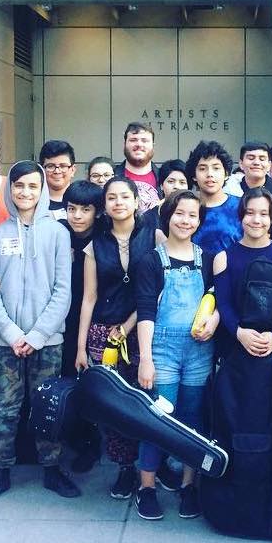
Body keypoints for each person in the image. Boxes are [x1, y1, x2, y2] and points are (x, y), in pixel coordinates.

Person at [203, 187, 272, 538]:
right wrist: (240, 333)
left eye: (263, 214)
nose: (256, 220)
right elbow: (225, 305)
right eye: (250, 213)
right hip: (237, 362)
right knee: (237, 434)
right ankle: (235, 511)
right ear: (241, 216)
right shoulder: (224, 258)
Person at [0, 161, 78, 503]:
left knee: (46, 405)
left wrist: (35, 336)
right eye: (19, 186)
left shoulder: (58, 234)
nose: (25, 192)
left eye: (33, 186)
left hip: (47, 340)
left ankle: (52, 467)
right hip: (5, 341)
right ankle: (1, 470)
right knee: (6, 406)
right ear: (10, 189)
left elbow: (63, 291)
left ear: (42, 189)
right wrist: (11, 333)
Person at [134, 190, 219, 521]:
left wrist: (214, 321)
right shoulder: (151, 260)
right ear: (167, 217)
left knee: (193, 420)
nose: (186, 220)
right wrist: (145, 358)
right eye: (180, 214)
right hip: (162, 351)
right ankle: (147, 488)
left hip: (200, 350)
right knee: (159, 420)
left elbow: (218, 298)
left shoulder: (209, 258)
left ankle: (188, 485)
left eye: (193, 215)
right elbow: (145, 312)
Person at [76, 176, 156, 500]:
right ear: (105, 206)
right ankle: (125, 468)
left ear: (137, 202)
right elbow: (89, 298)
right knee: (115, 407)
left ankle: (150, 465)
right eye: (112, 198)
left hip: (144, 331)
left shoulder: (155, 237)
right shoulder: (95, 245)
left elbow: (155, 292)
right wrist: (81, 346)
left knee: (146, 401)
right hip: (103, 333)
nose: (119, 202)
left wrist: (130, 324)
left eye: (125, 196)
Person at [60, 180, 105, 473]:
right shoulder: (59, 234)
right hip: (61, 319)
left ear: (97, 212)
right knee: (65, 379)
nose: (77, 216)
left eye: (85, 210)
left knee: (90, 383)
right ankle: (68, 436)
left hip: (93, 319)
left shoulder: (103, 240)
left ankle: (90, 443)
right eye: (71, 209)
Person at [224, 140, 272, 243]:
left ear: (269, 165)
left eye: (262, 159)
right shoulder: (230, 192)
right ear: (241, 164)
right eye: (251, 158)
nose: (256, 162)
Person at [186, 140, 242, 256]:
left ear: (226, 174)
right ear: (194, 176)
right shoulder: (186, 208)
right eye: (202, 168)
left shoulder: (242, 206)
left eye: (216, 168)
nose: (209, 174)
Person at [117, 122, 161, 212]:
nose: (139, 145)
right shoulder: (111, 176)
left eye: (144, 140)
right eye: (133, 140)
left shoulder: (165, 178)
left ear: (153, 145)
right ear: (124, 144)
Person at [139, 158, 188, 235]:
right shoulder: (148, 218)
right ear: (161, 185)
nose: (176, 186)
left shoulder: (195, 213)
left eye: (182, 182)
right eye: (171, 181)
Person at [39, 139, 77, 220]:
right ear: (42, 170)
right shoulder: (34, 202)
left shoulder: (82, 200)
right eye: (50, 166)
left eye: (63, 166)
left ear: (73, 170)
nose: (57, 171)